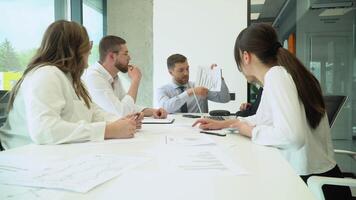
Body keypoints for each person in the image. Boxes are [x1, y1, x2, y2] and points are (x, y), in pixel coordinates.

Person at [193, 23, 351, 200]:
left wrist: (251, 131)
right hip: (320, 180)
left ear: (246, 56)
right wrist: (228, 123)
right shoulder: (282, 74)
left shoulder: (276, 76)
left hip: (312, 187)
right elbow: (263, 118)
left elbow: (293, 137)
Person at [0, 20, 142, 150]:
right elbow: (44, 130)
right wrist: (107, 130)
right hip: (22, 157)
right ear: (74, 49)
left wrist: (124, 122)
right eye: (88, 45)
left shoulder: (74, 80)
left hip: (50, 154)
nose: (90, 50)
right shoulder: (46, 74)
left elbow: (94, 113)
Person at [83, 36, 167, 118]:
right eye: (125, 54)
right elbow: (122, 113)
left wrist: (153, 111)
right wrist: (135, 80)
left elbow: (127, 105)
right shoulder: (93, 77)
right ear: (112, 56)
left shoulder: (114, 77)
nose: (129, 58)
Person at [156, 54, 230, 113]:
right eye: (181, 70)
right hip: (174, 129)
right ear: (170, 72)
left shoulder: (199, 86)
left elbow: (224, 99)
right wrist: (189, 92)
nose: (186, 73)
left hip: (199, 128)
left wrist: (219, 79)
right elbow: (165, 109)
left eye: (187, 69)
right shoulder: (162, 90)